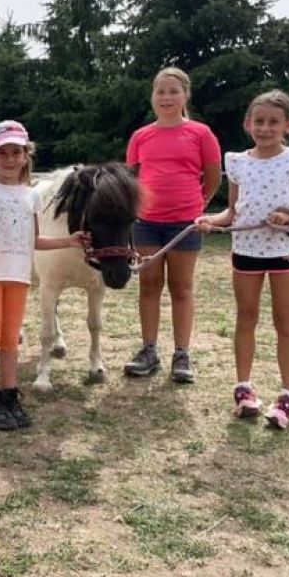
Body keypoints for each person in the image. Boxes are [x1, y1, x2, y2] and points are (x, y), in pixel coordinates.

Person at [195, 90, 289, 428]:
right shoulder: (237, 162)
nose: (265, 128)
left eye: (273, 122)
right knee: (246, 318)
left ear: (288, 125)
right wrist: (211, 220)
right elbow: (233, 210)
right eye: (259, 121)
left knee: (285, 322)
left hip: (283, 251)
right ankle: (244, 390)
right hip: (246, 251)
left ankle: (287, 396)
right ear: (247, 124)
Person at [0, 121, 87, 430]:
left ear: (26, 156)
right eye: (3, 153)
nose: (9, 159)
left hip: (19, 278)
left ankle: (9, 394)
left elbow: (34, 240)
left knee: (10, 340)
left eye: (16, 152)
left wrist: (69, 240)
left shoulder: (30, 196)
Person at [125, 67, 222, 383]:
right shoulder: (141, 136)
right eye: (160, 92)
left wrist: (198, 206)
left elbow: (213, 176)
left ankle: (182, 354)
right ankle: (149, 350)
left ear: (185, 95)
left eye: (172, 91)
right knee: (149, 285)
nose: (166, 97)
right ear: (153, 97)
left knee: (182, 288)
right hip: (146, 224)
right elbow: (131, 178)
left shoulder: (201, 133)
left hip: (185, 224)